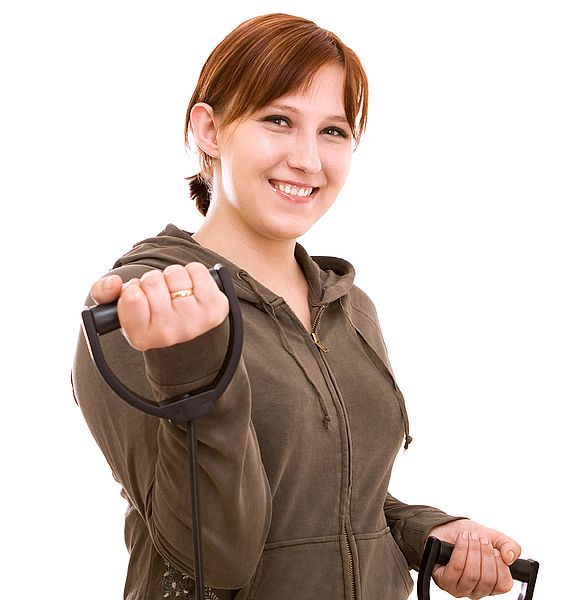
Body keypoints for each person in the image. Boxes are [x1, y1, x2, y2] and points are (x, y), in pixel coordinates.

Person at [71, 13, 522, 600]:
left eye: (333, 131)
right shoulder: (147, 307)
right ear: (208, 130)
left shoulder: (348, 306)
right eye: (278, 120)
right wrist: (194, 367)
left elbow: (328, 490)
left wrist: (426, 531)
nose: (308, 160)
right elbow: (214, 555)